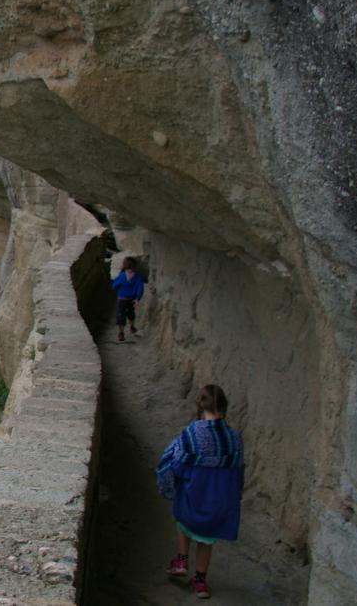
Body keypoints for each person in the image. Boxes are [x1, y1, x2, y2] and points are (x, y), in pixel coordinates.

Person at [156, 384, 244, 600]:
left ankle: (182, 560)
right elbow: (238, 471)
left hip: (194, 495)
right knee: (206, 540)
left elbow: (176, 463)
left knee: (182, 521)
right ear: (224, 406)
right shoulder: (234, 438)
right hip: (219, 500)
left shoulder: (192, 433)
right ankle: (201, 581)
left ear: (200, 405)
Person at [110, 256, 145, 342]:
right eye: (128, 268)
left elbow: (140, 288)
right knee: (122, 316)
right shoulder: (125, 276)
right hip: (123, 299)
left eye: (131, 268)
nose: (130, 270)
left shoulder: (136, 277)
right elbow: (114, 286)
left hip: (128, 299)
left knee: (130, 314)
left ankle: (131, 327)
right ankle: (122, 332)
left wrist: (137, 299)